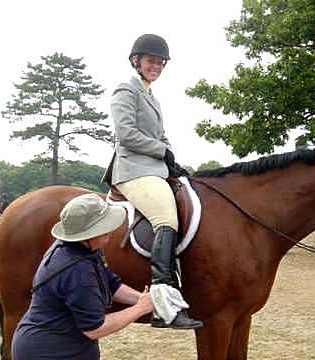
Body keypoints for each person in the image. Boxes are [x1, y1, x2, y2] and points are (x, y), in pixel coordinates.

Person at [102, 34, 202, 330]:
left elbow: (160, 136)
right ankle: (163, 303)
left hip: (155, 168)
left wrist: (171, 156)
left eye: (160, 62)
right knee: (166, 218)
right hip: (132, 169)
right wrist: (162, 151)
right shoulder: (126, 90)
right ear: (136, 61)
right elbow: (126, 134)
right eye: (151, 61)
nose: (156, 65)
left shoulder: (152, 96)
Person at [11, 193, 154, 360]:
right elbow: (95, 329)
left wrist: (144, 299)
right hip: (50, 353)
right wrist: (140, 309)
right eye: (103, 227)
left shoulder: (82, 248)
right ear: (87, 235)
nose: (110, 230)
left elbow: (110, 284)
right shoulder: (78, 271)